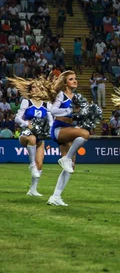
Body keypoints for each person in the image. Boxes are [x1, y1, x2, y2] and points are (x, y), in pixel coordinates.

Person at [48, 71, 91, 206]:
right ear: (65, 83)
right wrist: (69, 111)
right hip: (58, 129)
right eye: (71, 79)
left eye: (75, 78)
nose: (75, 81)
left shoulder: (77, 97)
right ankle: (65, 159)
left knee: (70, 167)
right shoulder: (62, 95)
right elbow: (53, 110)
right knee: (84, 134)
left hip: (68, 130)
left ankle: (55, 197)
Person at [9, 76, 54, 196]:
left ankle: (33, 190)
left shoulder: (46, 105)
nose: (36, 89)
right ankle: (31, 165)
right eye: (34, 87)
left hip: (40, 136)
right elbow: (17, 118)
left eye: (39, 87)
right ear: (30, 90)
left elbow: (50, 121)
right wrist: (26, 124)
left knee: (40, 163)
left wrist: (50, 129)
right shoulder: (26, 102)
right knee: (32, 139)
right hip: (26, 134)